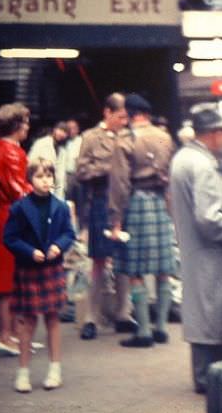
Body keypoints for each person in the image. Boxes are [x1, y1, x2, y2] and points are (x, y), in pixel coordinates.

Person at [168, 108, 222, 394]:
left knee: (201, 312)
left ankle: (203, 376)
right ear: (212, 134)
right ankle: (213, 378)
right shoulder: (203, 165)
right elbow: (209, 218)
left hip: (194, 249)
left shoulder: (183, 158)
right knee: (213, 314)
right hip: (211, 251)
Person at [108, 93, 176, 348]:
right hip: (159, 202)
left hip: (135, 202)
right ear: (146, 113)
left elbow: (119, 183)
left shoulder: (124, 140)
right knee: (163, 269)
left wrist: (116, 218)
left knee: (135, 269)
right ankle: (161, 328)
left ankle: (144, 332)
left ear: (131, 113)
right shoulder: (164, 136)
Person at [3, 158, 75, 392]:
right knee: (28, 322)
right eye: (40, 176)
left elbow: (68, 233)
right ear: (30, 180)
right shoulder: (19, 208)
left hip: (51, 268)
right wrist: (30, 251)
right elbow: (10, 238)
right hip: (29, 268)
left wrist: (58, 246)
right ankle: (23, 373)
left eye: (49, 176)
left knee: (53, 319)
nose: (46, 181)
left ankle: (55, 370)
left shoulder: (61, 206)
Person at [75, 93, 134, 340]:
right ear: (107, 113)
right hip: (101, 200)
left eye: (126, 117)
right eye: (120, 116)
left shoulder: (129, 136)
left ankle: (124, 313)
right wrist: (108, 168)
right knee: (99, 260)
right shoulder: (90, 138)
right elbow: (80, 170)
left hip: (125, 202)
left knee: (124, 260)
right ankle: (91, 318)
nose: (123, 121)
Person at [0, 102, 32, 356]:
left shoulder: (0, 148)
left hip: (0, 217)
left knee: (8, 279)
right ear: (16, 125)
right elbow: (19, 190)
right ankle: (7, 334)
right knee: (8, 281)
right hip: (8, 219)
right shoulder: (13, 152)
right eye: (25, 122)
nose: (27, 126)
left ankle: (12, 334)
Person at [28, 121, 69, 198]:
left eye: (65, 132)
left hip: (54, 188)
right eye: (60, 130)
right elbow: (30, 163)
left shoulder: (62, 151)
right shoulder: (42, 143)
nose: (62, 134)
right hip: (38, 183)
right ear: (54, 130)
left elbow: (60, 176)